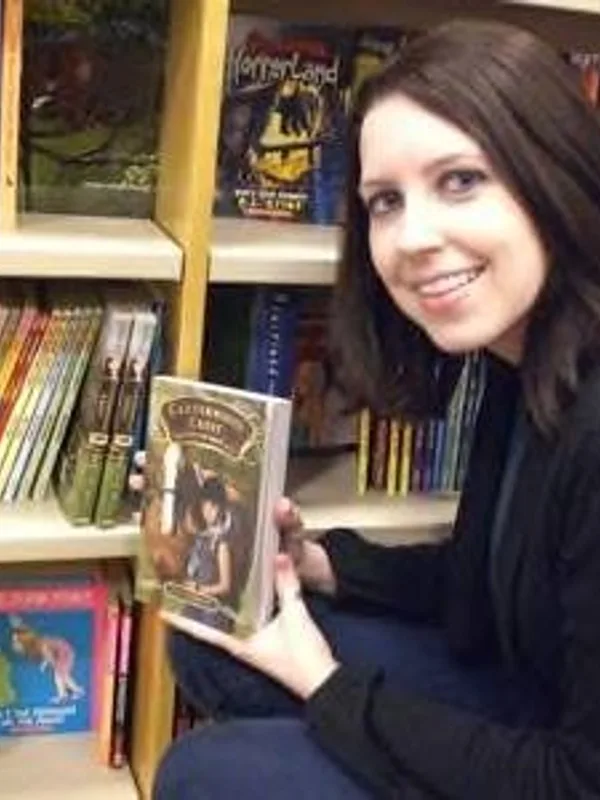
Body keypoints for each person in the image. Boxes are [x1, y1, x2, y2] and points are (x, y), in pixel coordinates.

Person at [151, 19, 600, 799]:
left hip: (565, 764)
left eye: (461, 180)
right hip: (537, 686)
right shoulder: (521, 351)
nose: (412, 237)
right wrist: (321, 564)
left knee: (204, 777)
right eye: (386, 201)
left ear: (555, 171)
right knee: (217, 637)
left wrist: (323, 683)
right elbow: (492, 576)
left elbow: (577, 779)